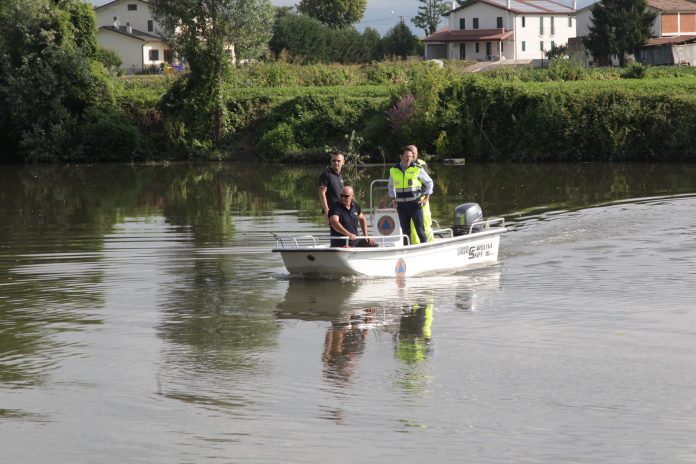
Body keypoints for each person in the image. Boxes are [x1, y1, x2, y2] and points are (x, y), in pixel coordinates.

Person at [388, 146, 434, 245]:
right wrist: (393, 200)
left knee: (420, 231)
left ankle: (425, 250)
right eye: (406, 156)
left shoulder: (417, 169)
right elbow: (390, 186)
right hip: (401, 207)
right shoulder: (393, 170)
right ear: (401, 156)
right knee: (405, 233)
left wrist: (426, 198)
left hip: (415, 205)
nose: (409, 158)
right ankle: (407, 252)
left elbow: (429, 182)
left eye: (410, 156)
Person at [404, 145, 434, 244]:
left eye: (416, 153)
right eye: (413, 153)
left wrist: (426, 198)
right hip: (409, 200)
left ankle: (430, 243)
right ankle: (416, 246)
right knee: (412, 226)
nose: (415, 154)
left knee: (425, 222)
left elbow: (427, 182)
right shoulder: (404, 165)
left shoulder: (420, 164)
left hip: (422, 198)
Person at [319, 151, 345, 224]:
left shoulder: (340, 175)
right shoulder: (326, 174)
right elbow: (322, 193)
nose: (336, 163)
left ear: (343, 162)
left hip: (342, 209)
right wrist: (327, 211)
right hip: (332, 211)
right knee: (338, 232)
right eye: (334, 160)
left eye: (338, 161)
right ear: (331, 161)